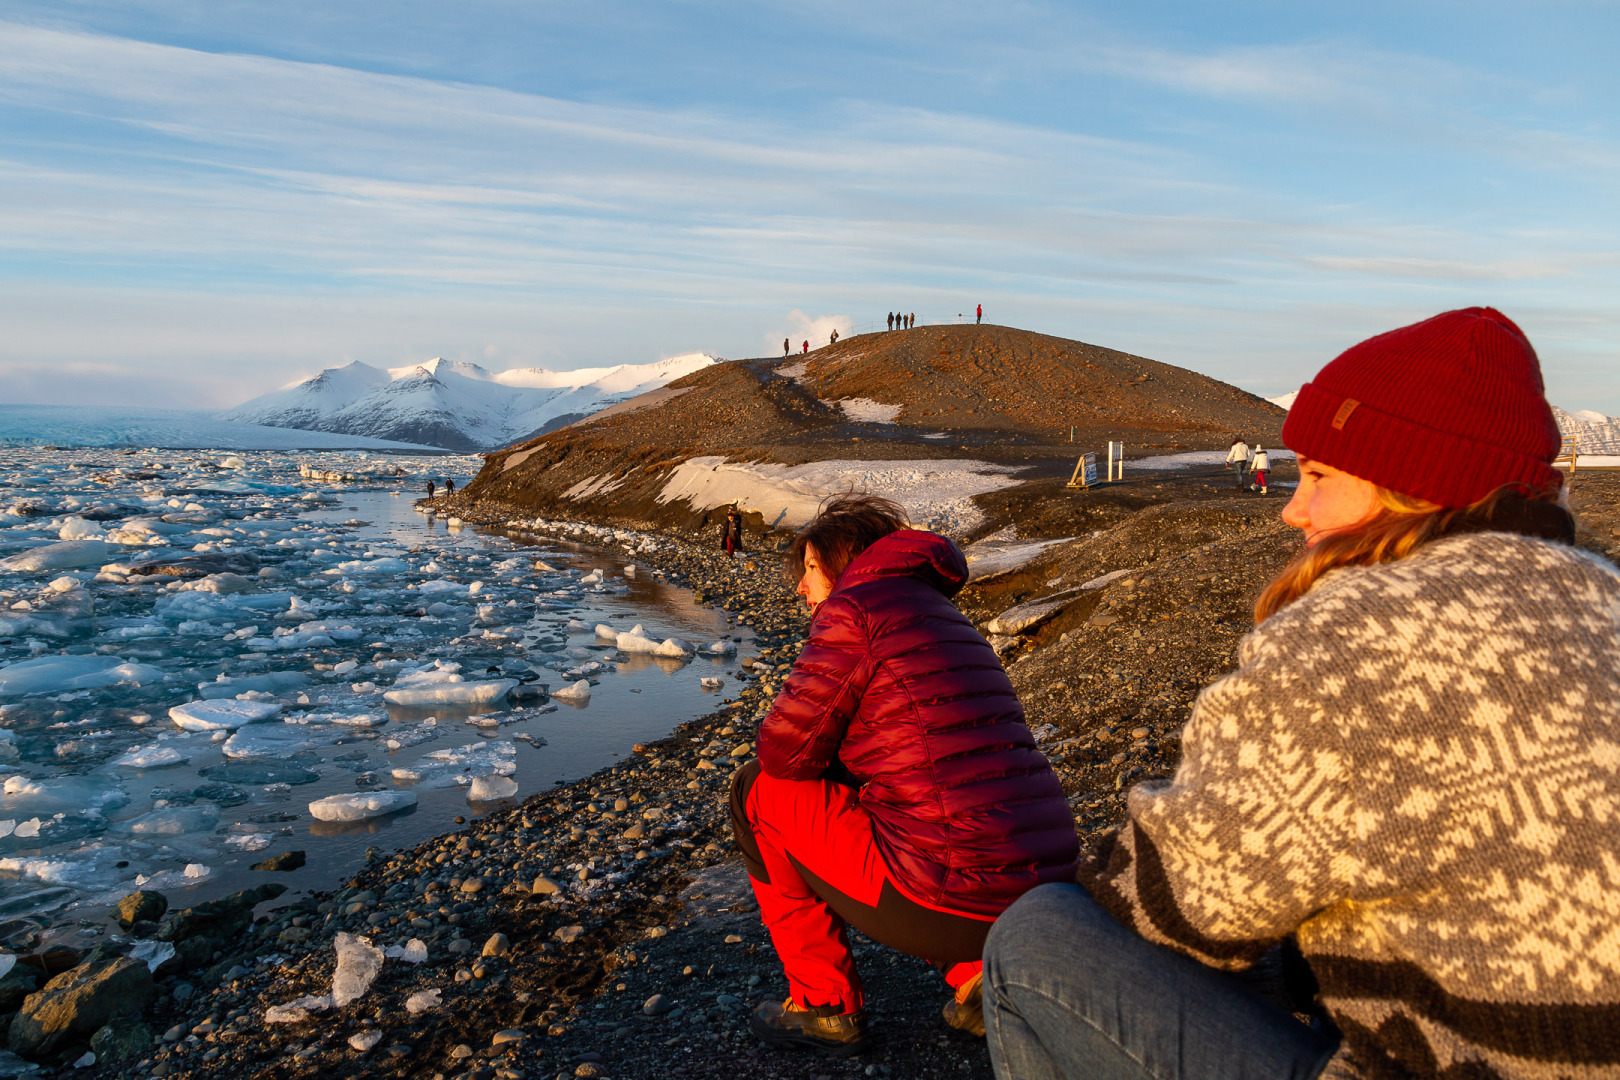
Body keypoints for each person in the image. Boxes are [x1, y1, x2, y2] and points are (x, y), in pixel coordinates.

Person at [981, 308, 1620, 1080]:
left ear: (1409, 485)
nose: (1293, 509)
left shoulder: (1360, 632)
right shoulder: (1603, 594)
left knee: (1038, 938)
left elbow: (1177, 901)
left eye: (1318, 476)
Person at [733, 494, 1079, 1057]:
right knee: (924, 798)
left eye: (811, 569)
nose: (802, 587)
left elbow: (783, 752)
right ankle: (976, 980)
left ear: (845, 562)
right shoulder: (938, 612)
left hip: (947, 900)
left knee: (756, 791)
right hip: (1042, 889)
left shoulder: (857, 610)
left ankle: (824, 1005)